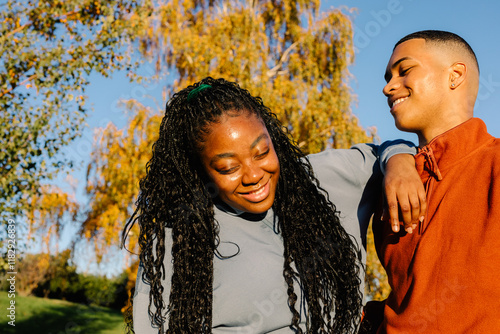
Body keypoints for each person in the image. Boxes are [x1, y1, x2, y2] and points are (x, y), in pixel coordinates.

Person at [124, 77, 424, 333]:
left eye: (262, 152)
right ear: (199, 172)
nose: (254, 175)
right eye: (228, 168)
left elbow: (384, 151)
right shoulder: (181, 239)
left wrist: (399, 165)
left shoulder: (321, 179)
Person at [371, 30, 500, 333]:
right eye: (388, 76)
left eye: (405, 70)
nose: (388, 87)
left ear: (455, 75)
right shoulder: (386, 181)